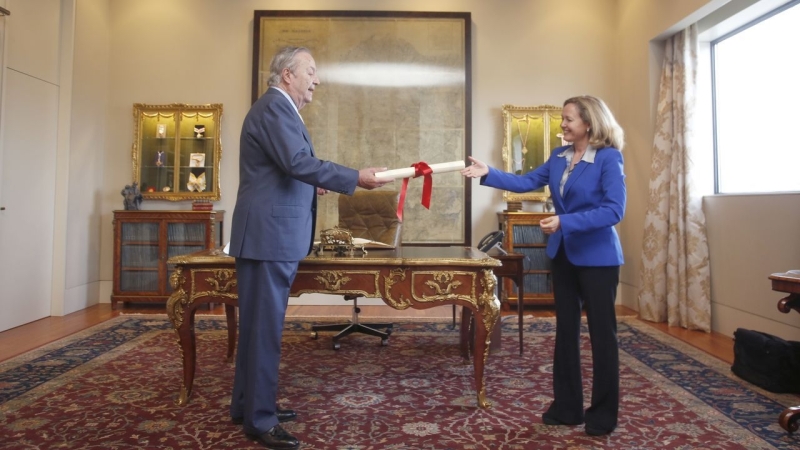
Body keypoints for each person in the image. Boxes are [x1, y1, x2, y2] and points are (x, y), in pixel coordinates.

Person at [227, 46, 388, 450]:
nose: (316, 80)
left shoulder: (276, 110)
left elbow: (284, 168)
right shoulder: (275, 109)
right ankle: (260, 420)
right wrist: (355, 177)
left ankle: (248, 405)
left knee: (257, 327)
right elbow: (297, 161)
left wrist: (311, 181)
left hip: (267, 234)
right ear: (287, 75)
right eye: (311, 72)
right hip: (268, 237)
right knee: (263, 330)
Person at [462, 95, 625, 436]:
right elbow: (526, 182)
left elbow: (614, 211)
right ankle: (567, 408)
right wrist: (488, 172)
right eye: (564, 119)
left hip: (598, 259)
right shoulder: (559, 156)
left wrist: (566, 222)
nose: (563, 124)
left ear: (589, 124)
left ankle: (603, 415)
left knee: (602, 336)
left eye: (568, 119)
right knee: (565, 332)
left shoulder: (609, 158)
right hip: (564, 256)